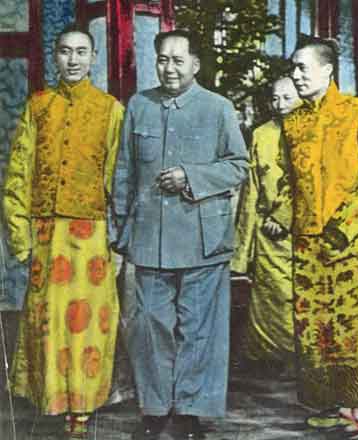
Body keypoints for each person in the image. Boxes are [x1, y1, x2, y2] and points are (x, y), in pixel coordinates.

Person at [112, 29, 248, 440]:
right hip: (149, 236)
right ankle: (154, 411)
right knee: (150, 325)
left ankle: (190, 412)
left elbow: (238, 166)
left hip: (203, 240)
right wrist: (120, 228)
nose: (169, 68)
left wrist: (191, 176)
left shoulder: (218, 108)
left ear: (195, 65)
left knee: (199, 329)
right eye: (162, 60)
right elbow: (124, 170)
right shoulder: (139, 106)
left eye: (177, 60)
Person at [3, 25, 124, 438]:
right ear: (55, 57)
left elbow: (119, 180)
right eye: (64, 52)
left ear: (93, 59)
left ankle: (84, 410)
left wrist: (118, 240)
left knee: (90, 324)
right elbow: (19, 174)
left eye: (81, 53)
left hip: (92, 236)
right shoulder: (38, 107)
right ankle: (52, 401)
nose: (72, 60)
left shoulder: (110, 110)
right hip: (47, 234)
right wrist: (21, 238)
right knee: (50, 321)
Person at [283, 34, 358, 439]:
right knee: (313, 329)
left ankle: (356, 413)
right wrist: (286, 219)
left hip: (349, 245)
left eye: (302, 67)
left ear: (328, 70)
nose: (295, 75)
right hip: (306, 245)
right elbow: (287, 180)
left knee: (353, 329)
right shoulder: (291, 122)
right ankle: (329, 407)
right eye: (292, 68)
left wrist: (345, 225)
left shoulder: (357, 115)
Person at [231, 76, 301, 372]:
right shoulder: (261, 134)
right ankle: (267, 358)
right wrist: (241, 250)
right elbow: (251, 190)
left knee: (296, 298)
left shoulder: (312, 131)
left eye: (288, 97)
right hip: (266, 233)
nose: (280, 104)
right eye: (275, 98)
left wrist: (284, 216)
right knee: (268, 298)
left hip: (300, 231)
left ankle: (299, 359)